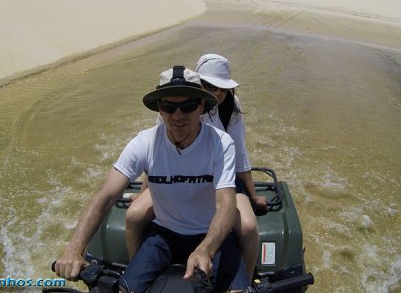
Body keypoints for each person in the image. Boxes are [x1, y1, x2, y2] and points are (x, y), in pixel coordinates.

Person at [55, 65, 249, 293]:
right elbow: (106, 196)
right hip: (163, 234)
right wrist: (74, 250)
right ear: (159, 109)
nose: (178, 115)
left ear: (201, 107)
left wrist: (206, 249)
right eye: (169, 106)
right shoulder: (144, 143)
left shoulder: (221, 143)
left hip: (211, 234)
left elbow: (226, 204)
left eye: (187, 106)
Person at [125, 54, 267, 279]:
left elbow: (239, 153)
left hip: (221, 177)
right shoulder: (173, 105)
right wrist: (144, 191)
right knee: (134, 216)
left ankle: (246, 280)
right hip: (177, 176)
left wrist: (253, 194)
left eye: (222, 87)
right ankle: (135, 269)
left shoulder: (231, 106)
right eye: (209, 85)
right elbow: (157, 153)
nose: (217, 92)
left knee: (248, 228)